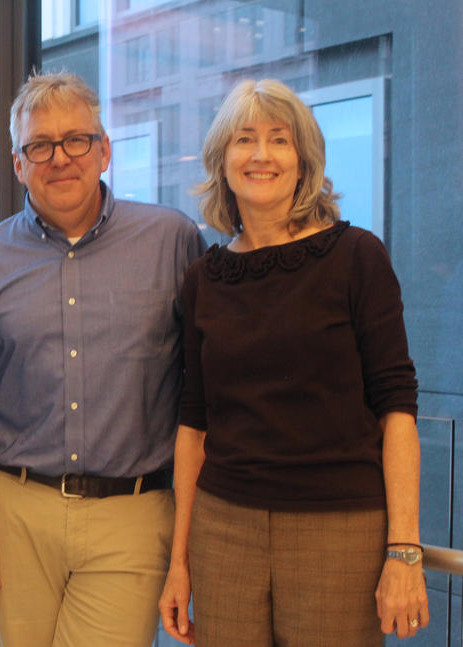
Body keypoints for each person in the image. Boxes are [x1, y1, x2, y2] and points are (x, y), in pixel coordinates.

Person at [0, 71, 206, 647]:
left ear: (104, 151)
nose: (60, 158)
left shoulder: (172, 242)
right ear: (18, 164)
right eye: (40, 145)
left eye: (76, 140)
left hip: (132, 514)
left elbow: (205, 389)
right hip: (15, 513)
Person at [157, 78, 429, 647]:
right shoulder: (204, 278)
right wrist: (179, 562)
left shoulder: (357, 258)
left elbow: (398, 410)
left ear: (303, 161)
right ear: (222, 160)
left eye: (279, 140)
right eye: (244, 139)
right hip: (222, 529)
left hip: (339, 530)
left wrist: (404, 551)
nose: (261, 155)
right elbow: (194, 424)